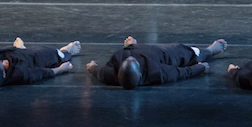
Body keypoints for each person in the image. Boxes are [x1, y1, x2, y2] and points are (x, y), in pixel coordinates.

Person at [87, 36, 227, 90]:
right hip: (158, 55)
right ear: (140, 73)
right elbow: (181, 73)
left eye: (127, 61)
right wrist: (199, 68)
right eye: (133, 61)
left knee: (130, 50)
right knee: (182, 51)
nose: (130, 59)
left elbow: (96, 70)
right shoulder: (157, 73)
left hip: (132, 49)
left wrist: (91, 66)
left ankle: (133, 45)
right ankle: (209, 51)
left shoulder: (108, 74)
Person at [0, 37, 80, 88]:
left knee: (19, 51)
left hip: (13, 54)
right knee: (54, 54)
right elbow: (40, 73)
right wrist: (61, 69)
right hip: (31, 59)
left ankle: (20, 48)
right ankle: (66, 51)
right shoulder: (21, 73)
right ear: (3, 73)